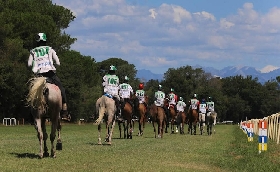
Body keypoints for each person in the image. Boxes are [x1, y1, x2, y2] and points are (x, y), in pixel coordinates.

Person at [28, 33, 70, 121]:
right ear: (45, 40)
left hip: (38, 76)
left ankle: (32, 113)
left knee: (31, 92)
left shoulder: (33, 51)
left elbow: (29, 64)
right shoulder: (50, 49)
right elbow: (58, 63)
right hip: (50, 74)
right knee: (61, 88)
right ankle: (64, 110)